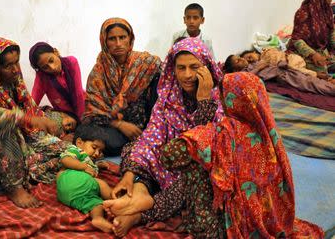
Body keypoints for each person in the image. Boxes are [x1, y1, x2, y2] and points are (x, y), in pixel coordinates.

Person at [160, 72, 324, 238]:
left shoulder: (224, 134)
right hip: (272, 221)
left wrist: (203, 111)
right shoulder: (271, 137)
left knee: (198, 159)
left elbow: (169, 155)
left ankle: (204, 227)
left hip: (225, 226)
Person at [103, 38, 225, 237]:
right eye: (181, 68)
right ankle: (141, 189)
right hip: (169, 161)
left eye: (194, 67)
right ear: (173, 69)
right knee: (132, 148)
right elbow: (152, 135)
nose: (187, 75)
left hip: (200, 165)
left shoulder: (220, 96)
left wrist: (203, 100)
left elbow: (208, 142)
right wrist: (129, 175)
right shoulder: (169, 96)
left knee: (193, 180)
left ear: (206, 67)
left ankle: (139, 215)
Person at [0, 38, 67, 209]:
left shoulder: (15, 82)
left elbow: (31, 109)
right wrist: (26, 119)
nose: (15, 70)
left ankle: (34, 162)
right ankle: (14, 187)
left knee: (66, 146)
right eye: (8, 66)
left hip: (22, 140)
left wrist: (44, 122)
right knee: (5, 126)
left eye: (17, 63)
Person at [83, 18, 161, 156]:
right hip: (113, 126)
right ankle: (138, 140)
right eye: (112, 39)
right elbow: (94, 111)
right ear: (104, 42)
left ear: (130, 39)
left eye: (122, 37)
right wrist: (120, 125)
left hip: (145, 121)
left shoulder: (145, 63)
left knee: (159, 77)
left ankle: (150, 133)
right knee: (86, 131)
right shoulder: (98, 72)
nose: (118, 44)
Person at [56, 124, 113, 232]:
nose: (97, 153)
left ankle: (97, 218)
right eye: (94, 147)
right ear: (79, 142)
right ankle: (115, 199)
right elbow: (65, 160)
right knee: (101, 184)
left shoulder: (90, 161)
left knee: (95, 203)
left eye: (100, 151)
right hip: (69, 177)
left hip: (67, 194)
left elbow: (91, 166)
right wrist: (84, 167)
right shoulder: (76, 150)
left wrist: (98, 166)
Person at [224, 52, 335, 95]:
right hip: (283, 76)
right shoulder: (243, 73)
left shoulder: (252, 64)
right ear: (234, 70)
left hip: (285, 69)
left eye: (239, 57)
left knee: (311, 79)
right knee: (311, 84)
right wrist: (259, 67)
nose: (242, 59)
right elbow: (248, 78)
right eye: (238, 61)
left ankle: (331, 84)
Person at [287, 0, 334, 74]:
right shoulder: (303, 13)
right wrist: (313, 55)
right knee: (321, 70)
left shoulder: (327, 11)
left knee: (327, 65)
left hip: (321, 53)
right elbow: (297, 39)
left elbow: (331, 33)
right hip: (304, 54)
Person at [29, 42, 85, 120]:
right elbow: (32, 105)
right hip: (66, 118)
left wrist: (81, 121)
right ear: (41, 70)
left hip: (84, 109)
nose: (52, 68)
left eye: (51, 60)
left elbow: (78, 95)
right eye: (45, 67)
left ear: (56, 52)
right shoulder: (42, 78)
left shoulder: (71, 62)